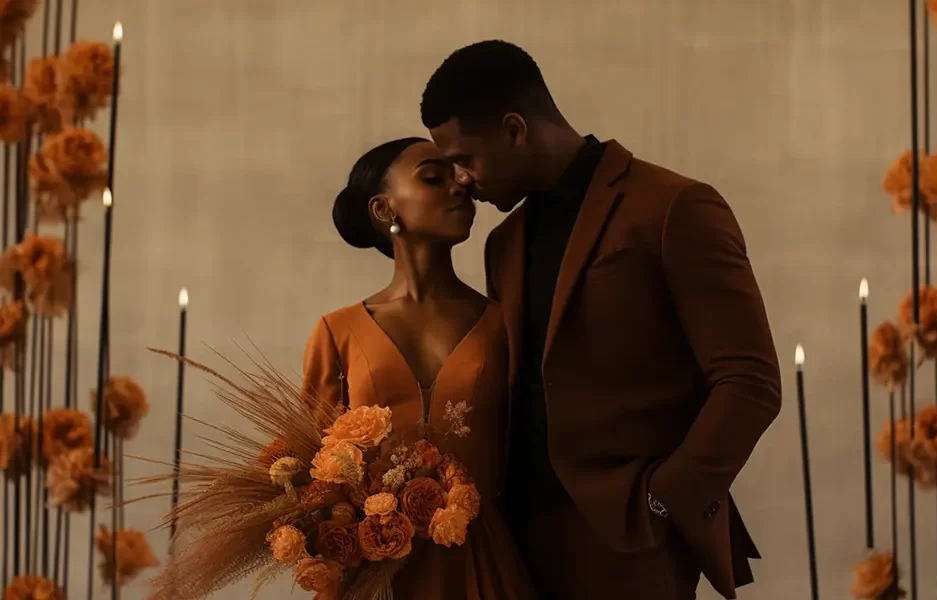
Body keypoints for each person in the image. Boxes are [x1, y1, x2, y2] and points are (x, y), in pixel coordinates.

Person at [420, 40, 782, 600]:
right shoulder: (503, 243)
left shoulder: (674, 206)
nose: (462, 180)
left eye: (466, 159)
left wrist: (661, 501)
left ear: (515, 128)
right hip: (514, 545)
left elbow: (750, 382)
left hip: (631, 538)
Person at [300, 137, 536, 599]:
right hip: (375, 574)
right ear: (384, 209)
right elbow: (313, 475)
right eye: (434, 177)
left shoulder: (504, 325)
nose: (460, 186)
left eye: (460, 176)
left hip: (482, 567)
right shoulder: (337, 332)